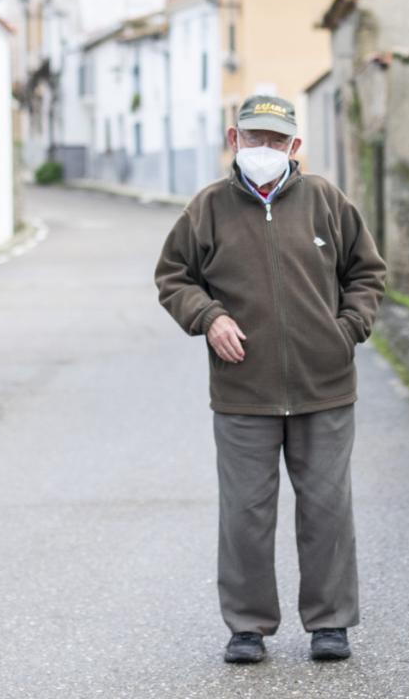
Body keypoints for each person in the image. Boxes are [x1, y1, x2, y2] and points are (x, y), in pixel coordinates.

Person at [154, 93, 387, 664]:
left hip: (324, 387)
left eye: (276, 140)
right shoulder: (206, 209)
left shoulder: (326, 202)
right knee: (245, 514)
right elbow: (173, 277)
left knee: (327, 509)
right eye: (254, 137)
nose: (264, 148)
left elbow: (367, 272)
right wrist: (208, 318)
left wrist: (348, 328)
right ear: (235, 140)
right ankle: (247, 627)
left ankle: (330, 623)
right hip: (243, 392)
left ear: (294, 147)